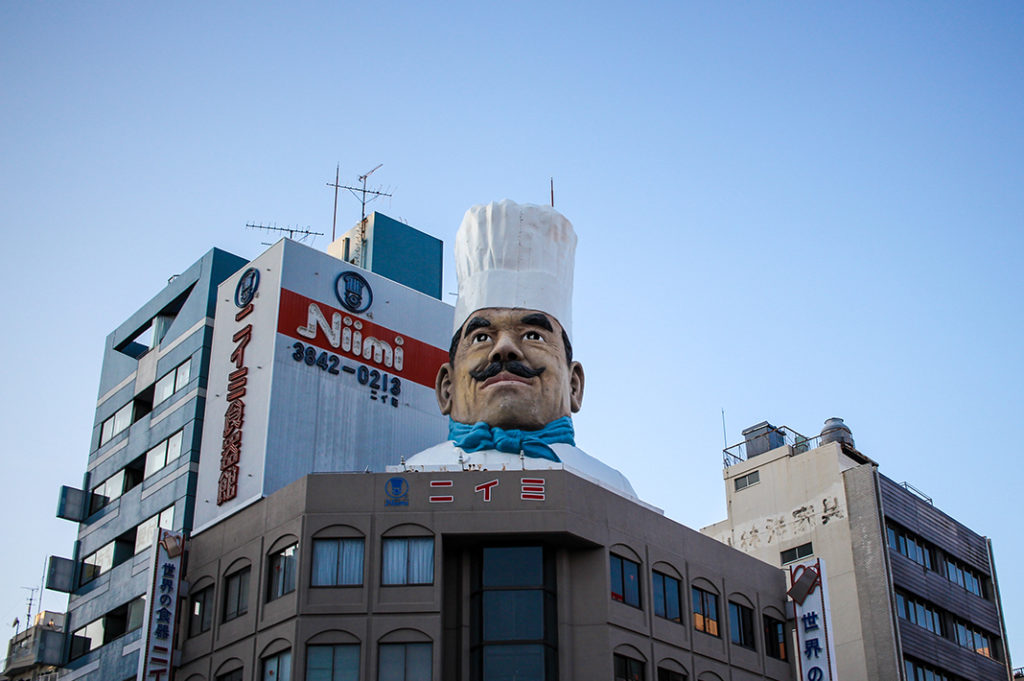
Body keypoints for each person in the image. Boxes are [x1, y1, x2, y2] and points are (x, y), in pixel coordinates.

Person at [398, 200, 636, 498]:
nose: (505, 349)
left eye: (533, 335)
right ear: (446, 387)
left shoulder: (610, 488)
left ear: (574, 384)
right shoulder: (411, 478)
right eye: (482, 337)